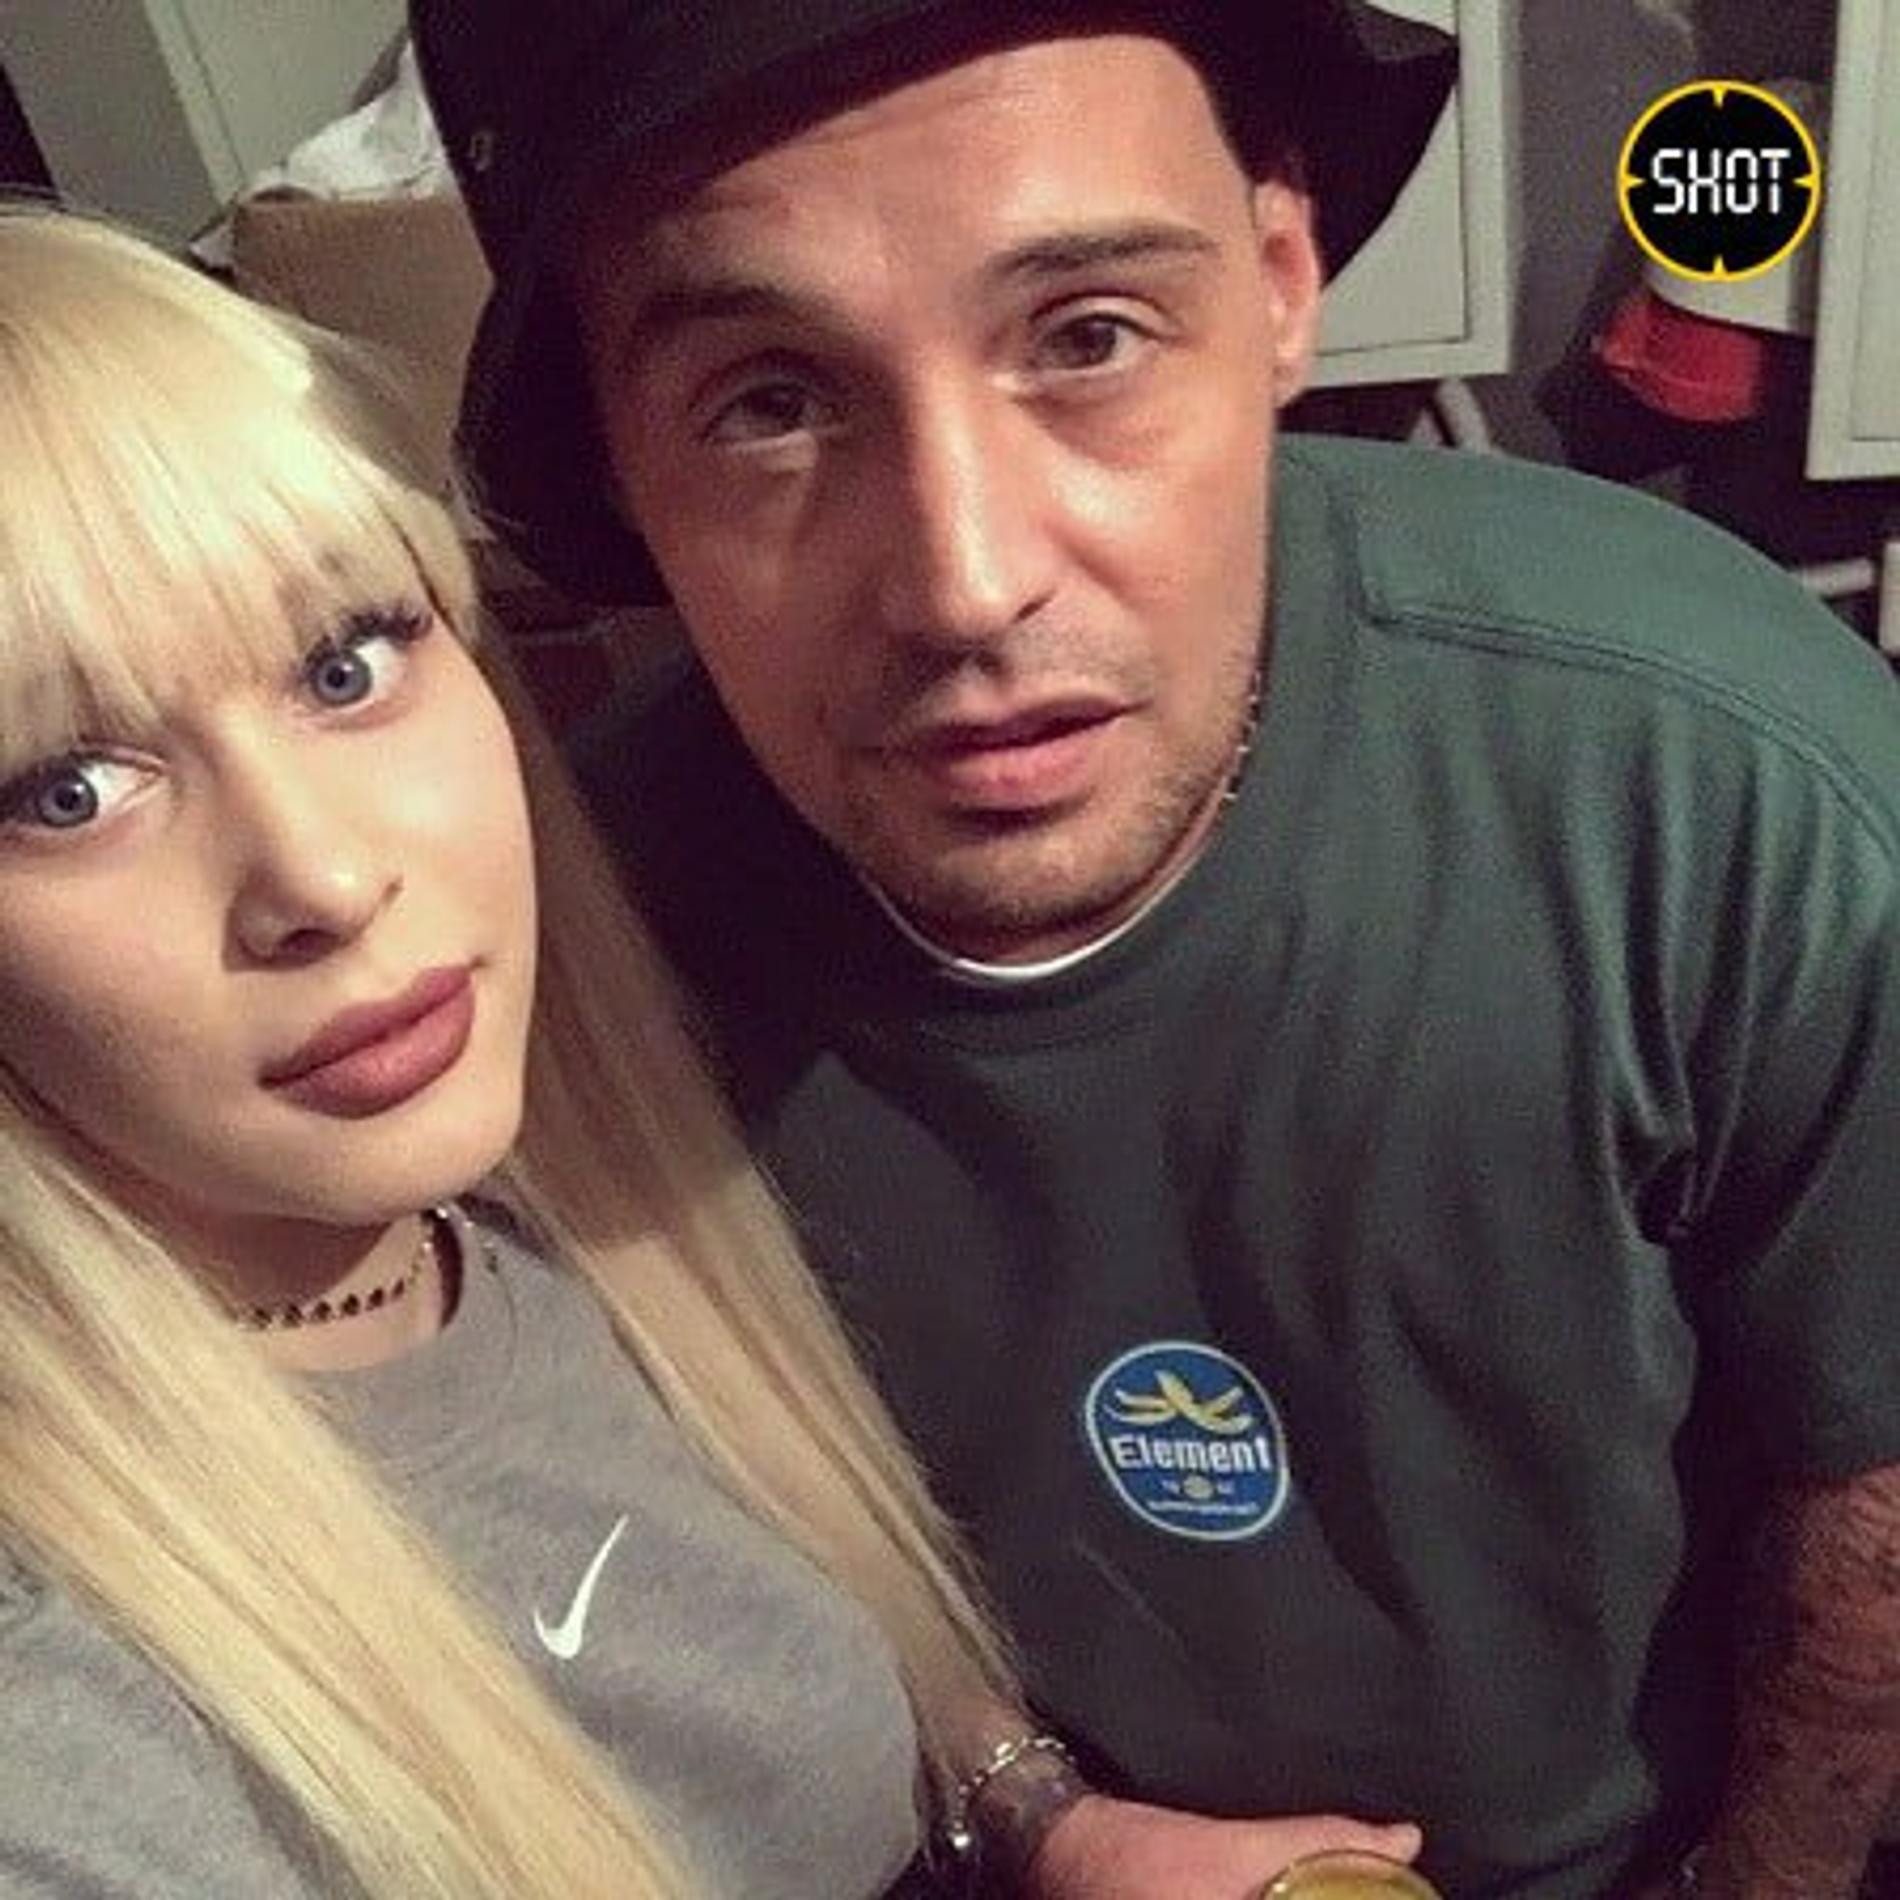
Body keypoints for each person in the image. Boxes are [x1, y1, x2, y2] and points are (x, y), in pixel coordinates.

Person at [411, 3, 1900, 1896]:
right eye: (770, 401)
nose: (966, 582)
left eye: (1088, 336)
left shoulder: (1725, 788)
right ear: (619, 459)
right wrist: (1036, 1809)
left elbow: (1873, 1493)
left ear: (1280, 283)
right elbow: (675, 1502)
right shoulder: (575, 948)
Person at [0, 200, 1065, 1900]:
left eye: (344, 662)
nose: (324, 879)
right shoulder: (60, 1712)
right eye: (66, 789)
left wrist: (1040, 1816)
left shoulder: (536, 1210)